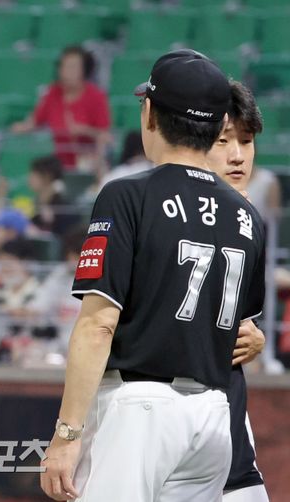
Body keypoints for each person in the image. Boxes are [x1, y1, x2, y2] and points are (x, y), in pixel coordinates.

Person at [40, 49, 266, 502]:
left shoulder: (127, 195)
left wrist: (66, 435)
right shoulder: (247, 216)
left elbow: (98, 324)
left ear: (150, 114)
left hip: (139, 410)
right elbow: (241, 330)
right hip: (213, 415)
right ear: (216, 124)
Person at [205, 80, 270, 502]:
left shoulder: (250, 219)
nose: (237, 155)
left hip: (227, 403)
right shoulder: (164, 209)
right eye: (224, 141)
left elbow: (243, 319)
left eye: (246, 142)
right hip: (169, 407)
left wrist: (255, 336)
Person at [11, 46, 111, 173]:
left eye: (73, 67)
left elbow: (106, 136)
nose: (67, 72)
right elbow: (34, 122)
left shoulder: (97, 97)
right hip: (58, 165)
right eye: (64, 66)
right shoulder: (52, 93)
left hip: (88, 164)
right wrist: (19, 127)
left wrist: (85, 130)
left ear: (84, 70)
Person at [27, 155, 79, 237]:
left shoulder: (63, 208)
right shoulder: (37, 203)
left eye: (34, 174)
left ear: (47, 176)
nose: (30, 178)